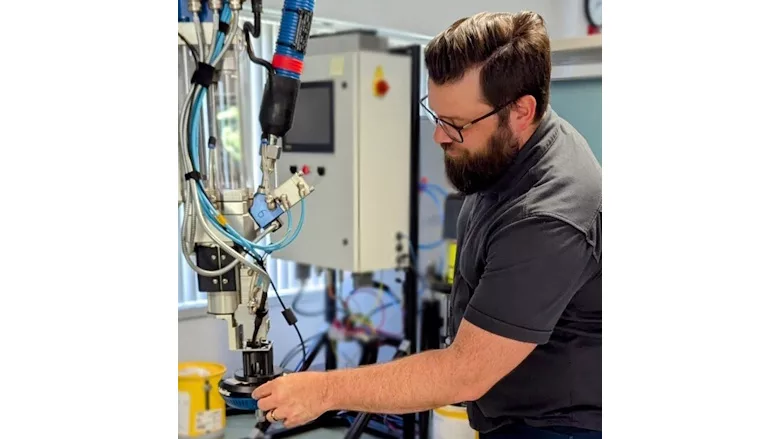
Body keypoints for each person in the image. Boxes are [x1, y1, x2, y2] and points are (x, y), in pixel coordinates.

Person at [252, 11, 602, 439]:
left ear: (522, 111)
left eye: (455, 125)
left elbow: (462, 373)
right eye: (435, 114)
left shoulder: (550, 217)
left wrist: (323, 390)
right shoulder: (508, 148)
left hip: (557, 428)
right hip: (511, 412)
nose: (439, 136)